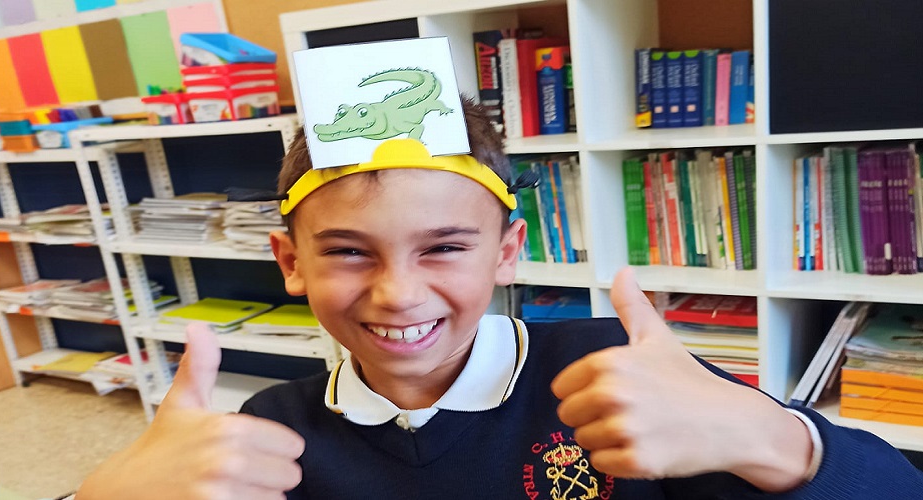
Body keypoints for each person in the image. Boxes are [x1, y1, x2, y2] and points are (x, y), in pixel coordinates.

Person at [75, 101, 923, 499]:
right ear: (290, 262)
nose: (398, 293)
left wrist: (766, 435)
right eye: (348, 251)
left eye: (444, 247)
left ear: (508, 252)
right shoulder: (265, 435)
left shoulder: (619, 378)